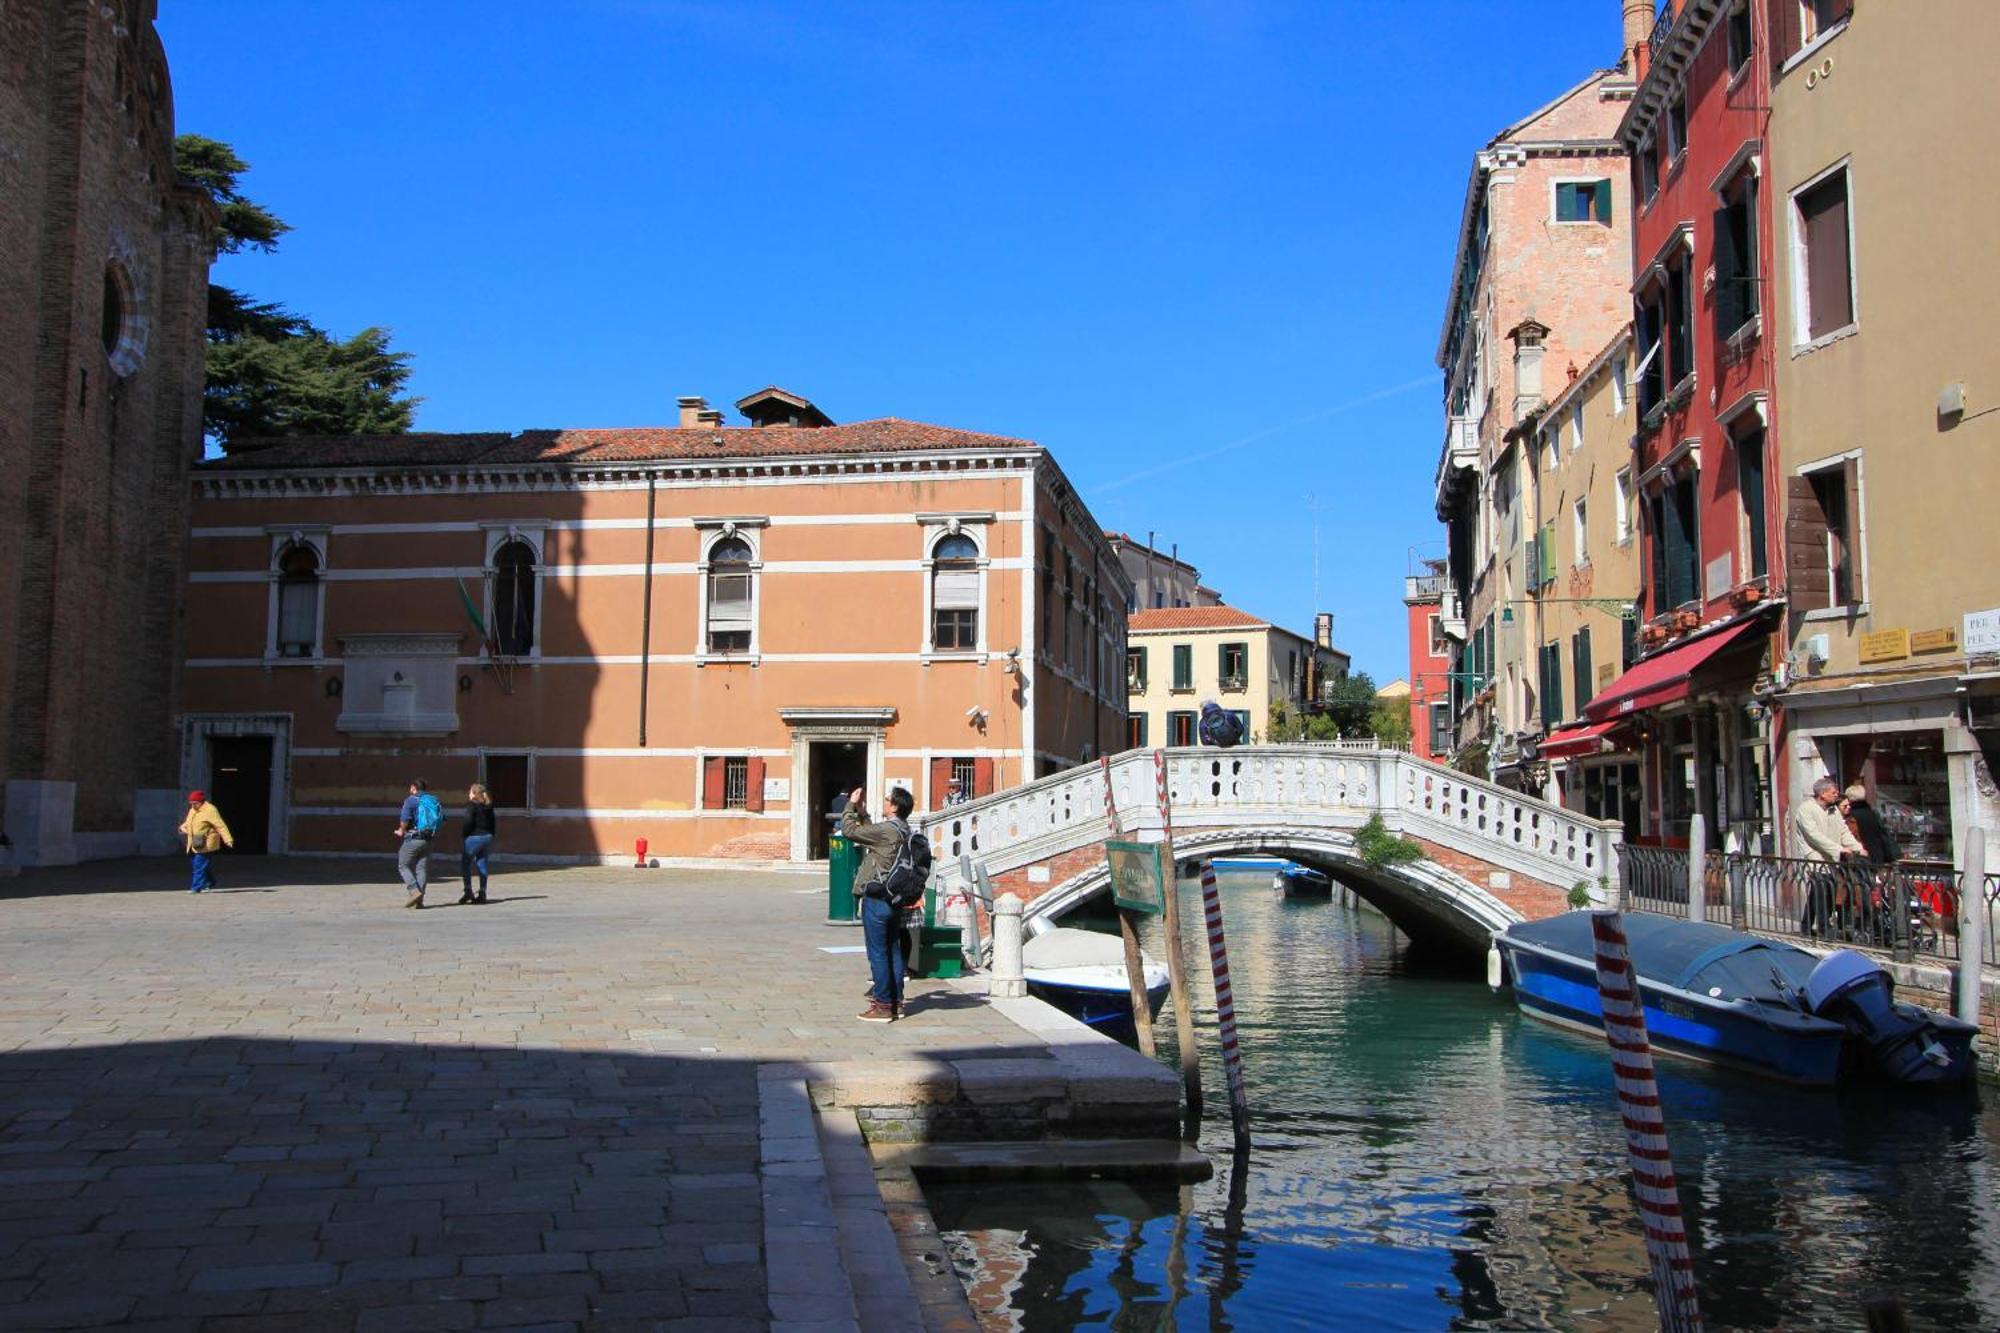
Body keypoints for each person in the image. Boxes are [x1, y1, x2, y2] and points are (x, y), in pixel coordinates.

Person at [843, 785, 916, 1022]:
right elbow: (871, 833)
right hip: (894, 897)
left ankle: (883, 1005)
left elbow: (849, 831)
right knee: (893, 951)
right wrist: (863, 813)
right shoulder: (904, 829)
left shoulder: (887, 830)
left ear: (894, 806)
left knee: (878, 953)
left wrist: (850, 806)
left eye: (887, 800)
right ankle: (897, 1003)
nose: (884, 803)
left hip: (877, 896)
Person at [1791, 777, 1863, 938]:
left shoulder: (1833, 810)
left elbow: (1843, 832)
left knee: (1818, 891)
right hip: (1814, 855)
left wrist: (1858, 848)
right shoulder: (1806, 809)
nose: (1836, 794)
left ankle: (1806, 925)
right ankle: (1823, 927)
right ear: (1822, 794)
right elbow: (1814, 836)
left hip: (1831, 857)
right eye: (1833, 792)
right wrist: (1839, 849)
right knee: (1823, 889)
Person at [393, 778, 440, 909]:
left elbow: (405, 819)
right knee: (421, 869)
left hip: (414, 838)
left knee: (403, 865)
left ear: (413, 788)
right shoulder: (432, 800)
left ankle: (414, 891)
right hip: (428, 838)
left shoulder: (410, 800)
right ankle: (419, 901)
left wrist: (401, 830)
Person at [177, 790, 233, 894]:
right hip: (194, 841)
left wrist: (228, 839)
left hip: (206, 843)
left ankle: (196, 888)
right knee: (199, 865)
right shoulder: (193, 809)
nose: (193, 805)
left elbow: (220, 825)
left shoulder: (210, 810)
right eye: (191, 803)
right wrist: (183, 827)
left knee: (199, 866)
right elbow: (189, 821)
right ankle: (209, 882)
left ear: (201, 801)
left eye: (195, 803)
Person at [459, 782, 496, 905]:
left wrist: (465, 834)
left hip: (474, 836)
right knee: (482, 863)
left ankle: (468, 891)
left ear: (474, 793)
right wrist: (491, 835)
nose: (468, 794)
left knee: (465, 863)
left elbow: (468, 821)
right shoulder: (488, 806)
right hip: (487, 836)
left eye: (470, 791)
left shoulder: (472, 805)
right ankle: (482, 892)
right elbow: (493, 823)